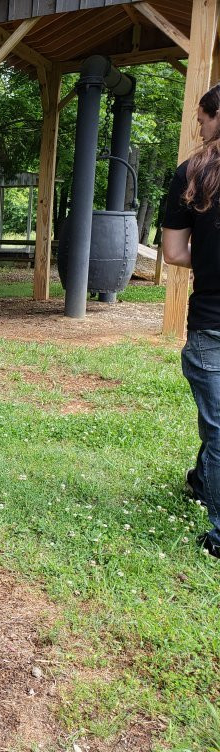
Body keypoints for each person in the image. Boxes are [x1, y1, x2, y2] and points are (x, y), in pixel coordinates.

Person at [162, 82, 220, 559]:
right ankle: (203, 482)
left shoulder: (191, 175)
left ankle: (216, 520)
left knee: (219, 427)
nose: (199, 126)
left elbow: (175, 253)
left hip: (211, 324)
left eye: (203, 118)